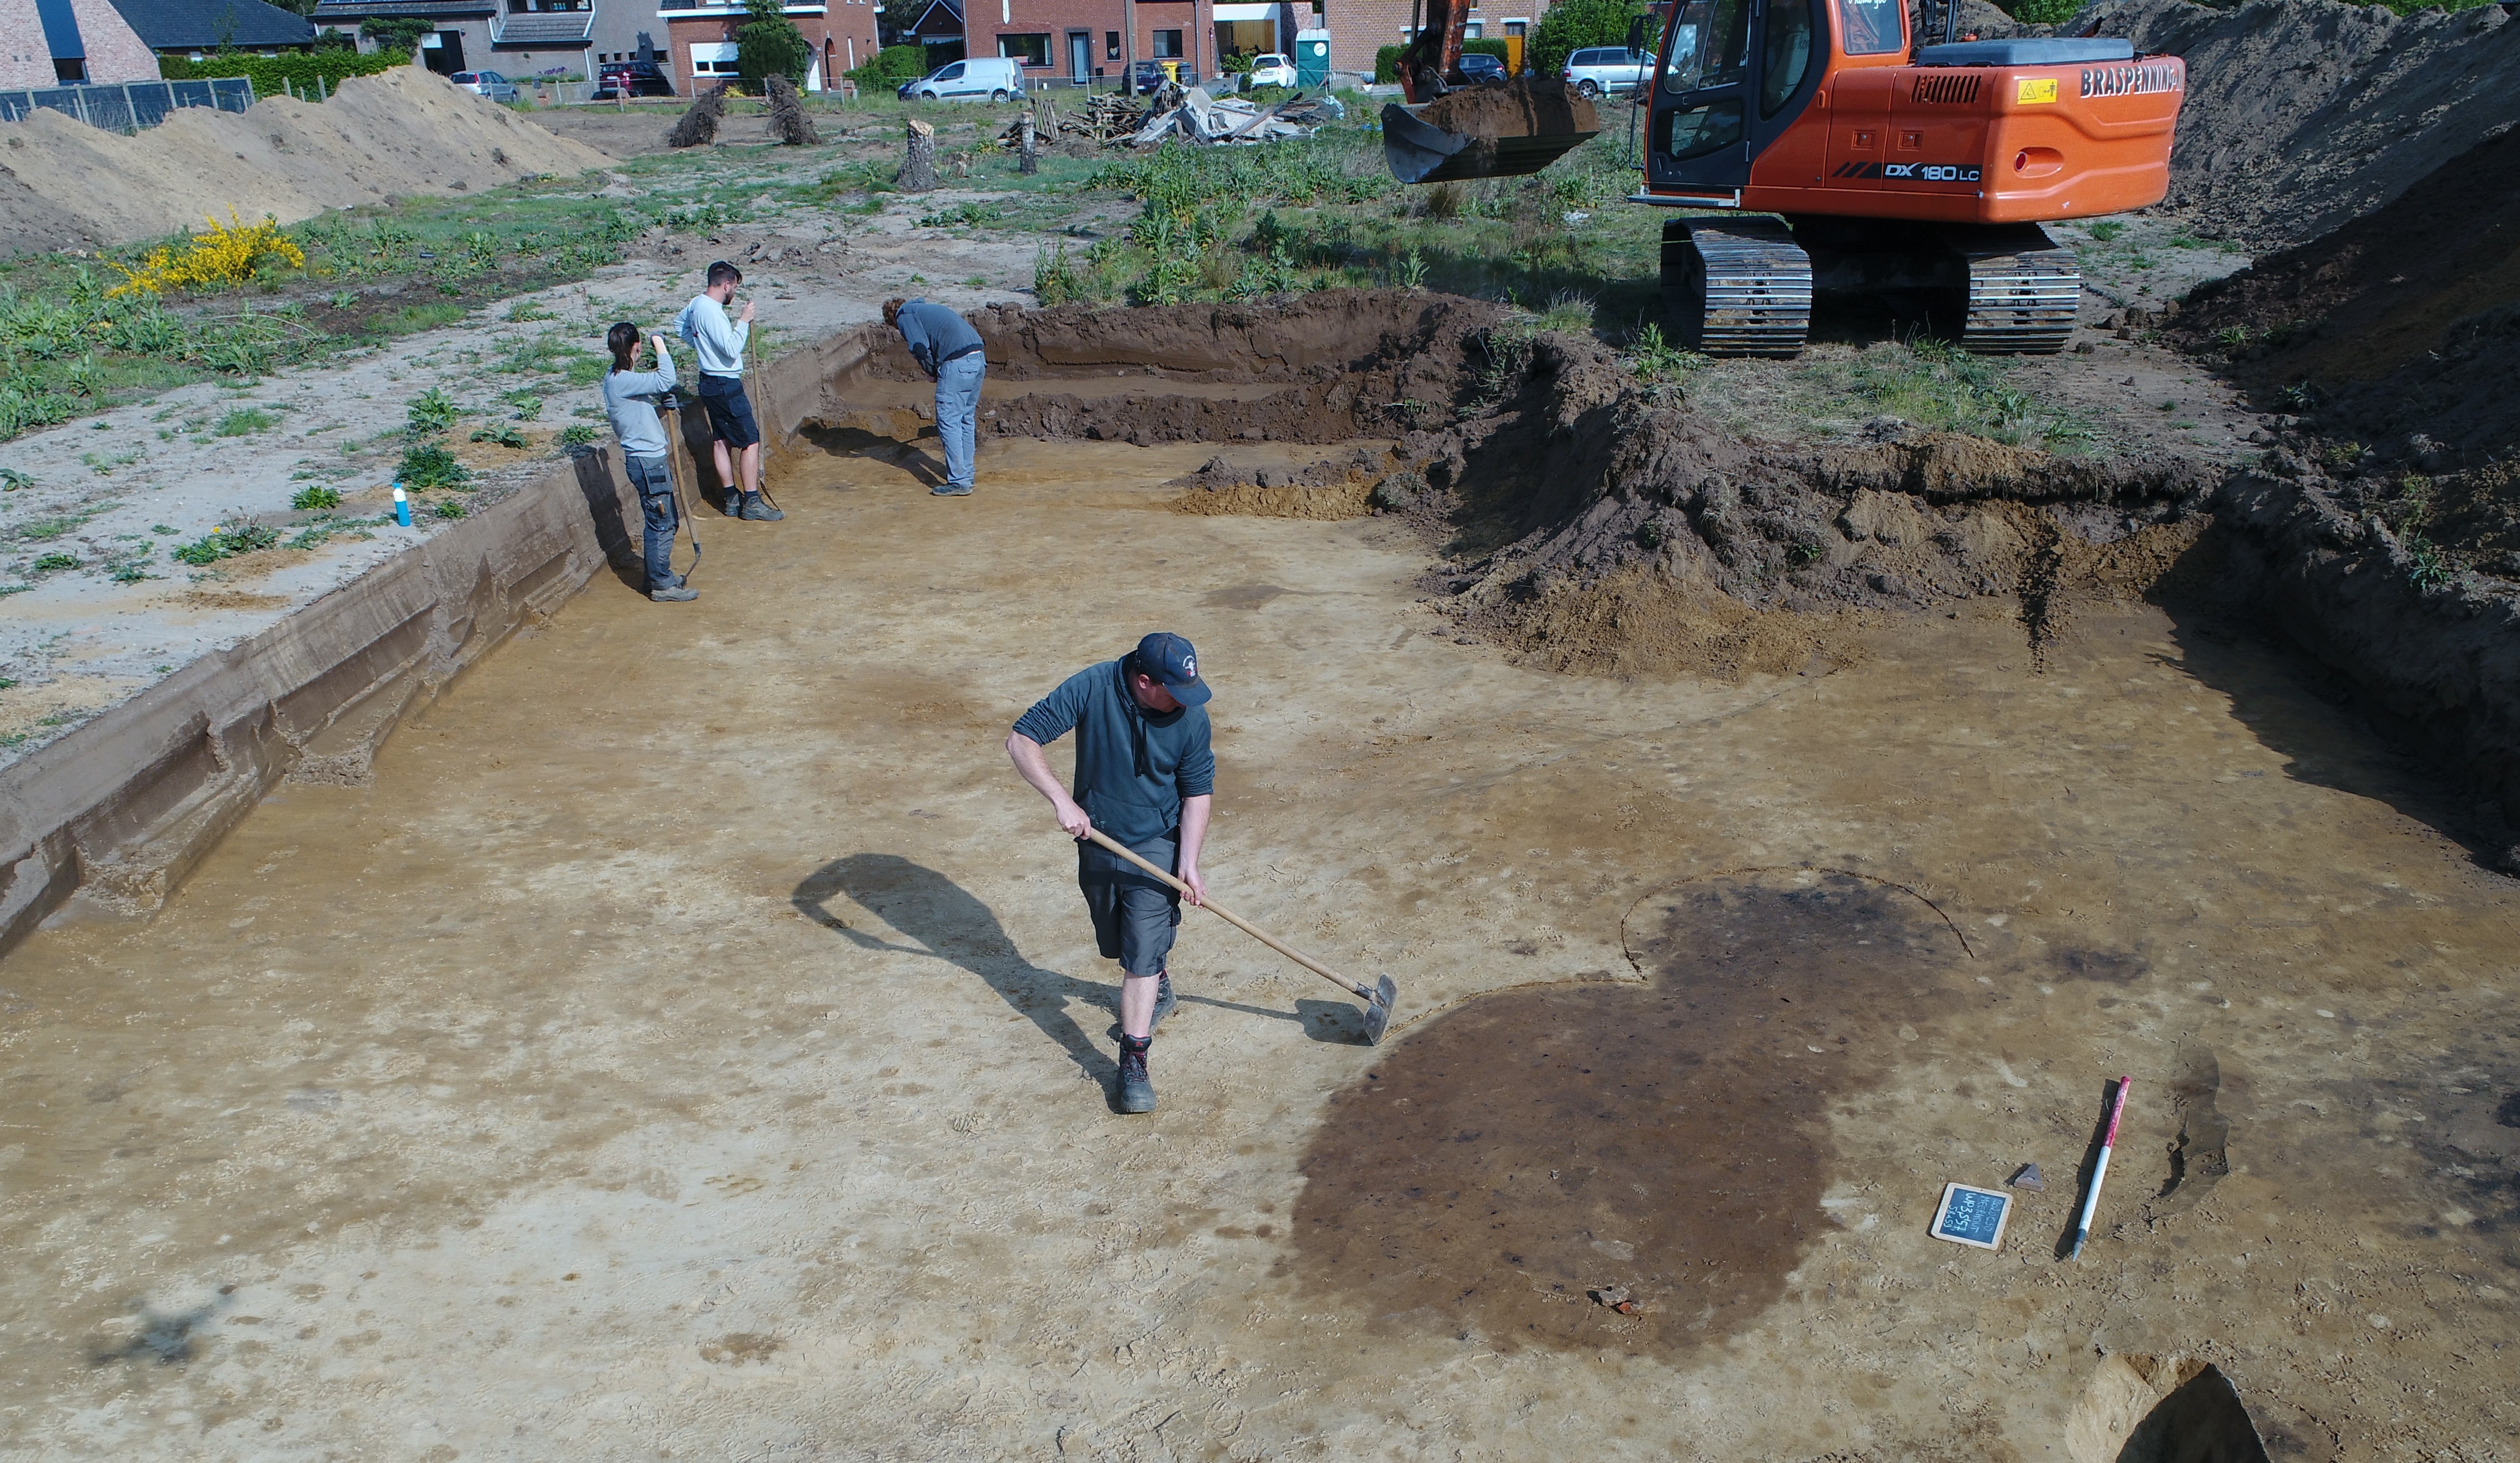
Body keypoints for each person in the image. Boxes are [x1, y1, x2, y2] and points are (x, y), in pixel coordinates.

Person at [1006, 633, 1214, 1114]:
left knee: (1140, 945)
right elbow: (1022, 739)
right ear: (1144, 681)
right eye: (1175, 691)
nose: (1186, 701)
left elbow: (1197, 789)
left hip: (1157, 843)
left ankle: (1134, 1059)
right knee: (1116, 941)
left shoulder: (1192, 717)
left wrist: (1188, 860)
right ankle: (1158, 974)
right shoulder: (1095, 686)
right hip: (1097, 839)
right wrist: (1063, 801)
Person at [676, 261, 782, 522]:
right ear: (726, 284)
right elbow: (732, 349)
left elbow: (680, 326)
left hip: (709, 383)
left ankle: (732, 499)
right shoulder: (712, 312)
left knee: (722, 439)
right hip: (726, 385)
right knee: (751, 441)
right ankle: (752, 502)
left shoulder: (695, 304)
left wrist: (703, 349)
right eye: (734, 286)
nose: (734, 292)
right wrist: (744, 321)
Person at [600, 322, 695, 603]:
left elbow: (636, 416)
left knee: (665, 520)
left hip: (649, 460)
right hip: (647, 464)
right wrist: (661, 345)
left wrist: (662, 411)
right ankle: (662, 585)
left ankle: (656, 576)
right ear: (636, 347)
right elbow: (666, 379)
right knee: (661, 523)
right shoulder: (622, 380)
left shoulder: (620, 378)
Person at [884, 296, 986, 498]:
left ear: (892, 320)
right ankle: (967, 474)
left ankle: (959, 482)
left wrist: (931, 370)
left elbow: (920, 347)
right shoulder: (926, 310)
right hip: (978, 357)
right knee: (965, 418)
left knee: (949, 420)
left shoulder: (905, 315)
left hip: (957, 363)